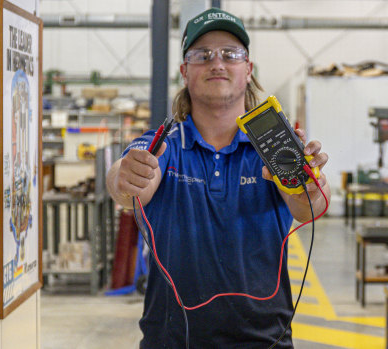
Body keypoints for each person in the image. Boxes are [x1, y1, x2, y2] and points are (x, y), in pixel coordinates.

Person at [106, 7, 330, 348]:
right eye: (202, 55)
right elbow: (126, 179)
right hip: (172, 340)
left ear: (248, 68)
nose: (217, 63)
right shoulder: (164, 143)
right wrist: (125, 177)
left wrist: (311, 189)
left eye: (231, 54)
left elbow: (304, 207)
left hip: (265, 340)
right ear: (184, 71)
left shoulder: (274, 149)